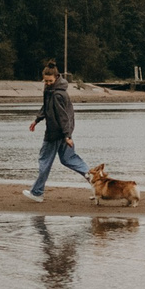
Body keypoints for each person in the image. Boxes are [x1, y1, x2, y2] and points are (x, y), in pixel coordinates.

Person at [26, 60, 92, 202]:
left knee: (45, 160)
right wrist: (37, 120)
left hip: (56, 133)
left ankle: (37, 193)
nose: (47, 83)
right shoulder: (50, 90)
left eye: (49, 81)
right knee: (69, 158)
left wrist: (67, 136)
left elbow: (63, 116)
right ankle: (93, 177)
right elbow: (46, 107)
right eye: (45, 81)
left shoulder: (57, 94)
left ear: (56, 78)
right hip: (62, 132)